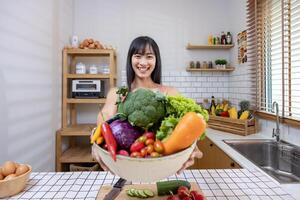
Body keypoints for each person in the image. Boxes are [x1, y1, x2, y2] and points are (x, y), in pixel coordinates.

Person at [92, 36, 202, 174]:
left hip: (162, 168)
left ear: (156, 60)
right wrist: (95, 145)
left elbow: (186, 125)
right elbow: (105, 117)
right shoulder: (118, 93)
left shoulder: (169, 92)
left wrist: (192, 149)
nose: (143, 62)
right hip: (125, 168)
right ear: (130, 59)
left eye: (149, 56)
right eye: (138, 56)